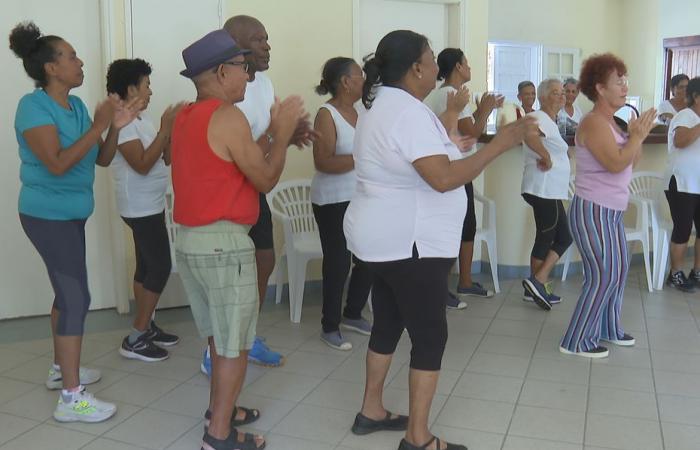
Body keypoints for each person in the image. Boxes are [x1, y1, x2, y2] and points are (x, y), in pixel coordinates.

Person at [345, 30, 537, 450]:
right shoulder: (406, 111)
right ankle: (418, 438)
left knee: (389, 322)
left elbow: (417, 160)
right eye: (432, 59)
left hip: (382, 240)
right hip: (411, 244)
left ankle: (371, 410)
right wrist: (499, 144)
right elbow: (443, 178)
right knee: (430, 337)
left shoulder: (381, 105)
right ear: (416, 67)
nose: (437, 66)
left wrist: (454, 144)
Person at [172, 29, 304, 450]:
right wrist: (281, 134)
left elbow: (227, 160)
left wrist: (274, 137)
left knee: (219, 338)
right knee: (234, 346)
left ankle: (221, 412)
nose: (248, 77)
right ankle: (219, 435)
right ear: (221, 71)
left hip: (192, 243)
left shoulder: (186, 116)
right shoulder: (228, 116)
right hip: (223, 246)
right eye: (243, 68)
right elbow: (263, 179)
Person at [10, 21, 140, 423]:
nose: (80, 62)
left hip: (71, 215)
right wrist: (101, 125)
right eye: (70, 56)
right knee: (75, 298)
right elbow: (58, 163)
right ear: (51, 67)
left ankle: (58, 369)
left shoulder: (78, 107)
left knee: (66, 293)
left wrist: (114, 128)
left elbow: (99, 158)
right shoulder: (33, 107)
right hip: (45, 215)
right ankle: (71, 398)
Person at [199, 14, 317, 374]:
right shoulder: (221, 88)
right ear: (234, 45)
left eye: (267, 39)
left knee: (263, 260)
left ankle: (247, 338)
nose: (267, 46)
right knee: (227, 276)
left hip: (254, 190)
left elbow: (267, 134)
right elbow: (240, 145)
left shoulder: (263, 83)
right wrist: (275, 136)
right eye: (258, 40)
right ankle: (215, 349)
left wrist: (289, 134)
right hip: (225, 196)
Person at [560, 53, 656, 359]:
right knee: (603, 274)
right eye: (619, 81)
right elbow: (616, 164)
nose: (625, 86)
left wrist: (635, 137)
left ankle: (607, 328)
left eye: (625, 79)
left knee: (619, 269)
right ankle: (576, 340)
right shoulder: (594, 122)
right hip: (593, 210)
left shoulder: (612, 122)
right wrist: (636, 137)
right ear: (600, 88)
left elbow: (631, 160)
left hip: (610, 210)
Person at [106, 58, 183, 362]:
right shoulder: (122, 123)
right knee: (160, 265)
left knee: (145, 266)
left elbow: (163, 157)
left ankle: (146, 325)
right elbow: (140, 164)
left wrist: (170, 132)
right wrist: (165, 129)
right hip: (138, 207)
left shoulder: (142, 119)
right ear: (130, 88)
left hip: (150, 203)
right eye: (146, 84)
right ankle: (136, 337)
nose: (151, 90)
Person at [426, 47, 504, 303]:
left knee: (463, 224)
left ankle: (459, 283)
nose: (469, 67)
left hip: (448, 168)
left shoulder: (441, 94)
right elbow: (473, 136)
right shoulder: (453, 95)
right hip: (453, 169)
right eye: (467, 63)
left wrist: (481, 109)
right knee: (460, 226)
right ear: (458, 67)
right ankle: (459, 283)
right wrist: (487, 109)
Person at [311, 57, 373, 350]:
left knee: (369, 257)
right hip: (332, 200)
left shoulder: (360, 112)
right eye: (359, 76)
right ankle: (330, 325)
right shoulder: (327, 114)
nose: (364, 81)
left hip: (359, 197)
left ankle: (352, 313)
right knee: (338, 262)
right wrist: (362, 159)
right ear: (346, 82)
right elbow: (323, 162)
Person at [520, 79, 573, 310]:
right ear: (542, 97)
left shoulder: (553, 120)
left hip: (550, 190)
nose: (561, 96)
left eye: (563, 93)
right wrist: (546, 156)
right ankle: (537, 285)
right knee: (547, 237)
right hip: (543, 189)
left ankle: (536, 284)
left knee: (564, 237)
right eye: (555, 93)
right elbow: (530, 137)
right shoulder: (539, 117)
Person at [664, 76, 700, 292]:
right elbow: (681, 141)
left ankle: (697, 271)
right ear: (696, 97)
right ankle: (675, 273)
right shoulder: (684, 116)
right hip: (682, 183)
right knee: (683, 229)